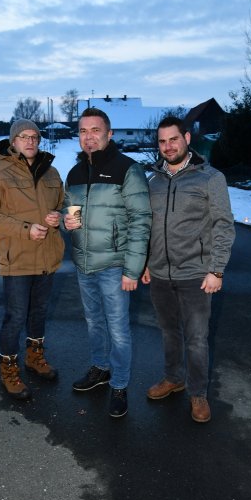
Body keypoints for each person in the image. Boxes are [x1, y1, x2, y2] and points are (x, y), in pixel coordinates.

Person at [141, 116, 235, 423]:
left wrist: (217, 270)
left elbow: (223, 225)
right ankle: (173, 378)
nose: (168, 146)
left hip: (196, 273)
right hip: (159, 274)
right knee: (169, 333)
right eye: (162, 141)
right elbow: (147, 227)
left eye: (173, 139)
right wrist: (145, 263)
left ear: (187, 139)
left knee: (196, 339)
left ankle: (198, 394)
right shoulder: (152, 180)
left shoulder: (210, 178)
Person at [63, 107, 152, 418]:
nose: (89, 137)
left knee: (118, 329)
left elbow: (141, 222)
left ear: (109, 133)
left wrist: (133, 269)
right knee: (94, 322)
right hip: (83, 263)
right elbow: (69, 211)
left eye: (95, 130)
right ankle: (100, 369)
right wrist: (67, 222)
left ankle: (120, 385)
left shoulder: (128, 169)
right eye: (83, 131)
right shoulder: (74, 173)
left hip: (115, 266)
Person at [0, 119, 65, 400]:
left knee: (39, 312)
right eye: (23, 137)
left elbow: (60, 205)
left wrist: (57, 216)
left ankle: (34, 358)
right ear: (13, 141)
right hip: (17, 258)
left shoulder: (51, 172)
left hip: (47, 255)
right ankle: (8, 370)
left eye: (34, 137)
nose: (30, 142)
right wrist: (25, 229)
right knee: (15, 317)